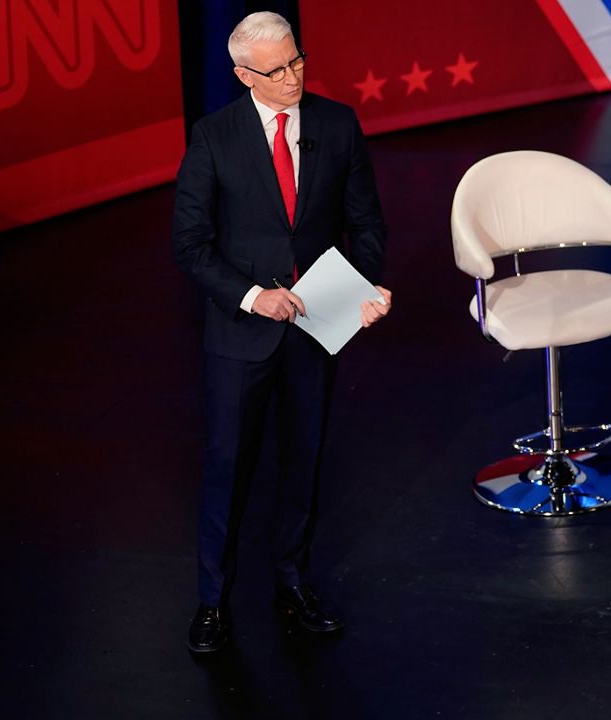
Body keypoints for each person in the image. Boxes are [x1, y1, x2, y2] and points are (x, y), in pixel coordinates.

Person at [172, 11, 392, 653]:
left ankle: (292, 585)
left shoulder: (337, 124)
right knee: (227, 467)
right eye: (276, 69)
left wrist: (365, 287)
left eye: (297, 61)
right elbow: (189, 245)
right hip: (242, 334)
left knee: (304, 462)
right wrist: (252, 296)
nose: (293, 76)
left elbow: (367, 224)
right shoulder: (213, 137)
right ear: (244, 75)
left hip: (317, 327)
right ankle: (213, 603)